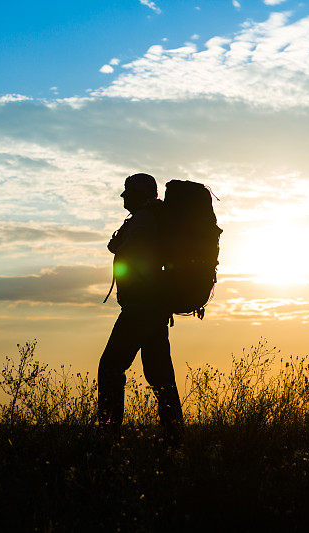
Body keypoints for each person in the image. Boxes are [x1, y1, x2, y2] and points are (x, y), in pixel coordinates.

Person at [98, 173, 184, 440]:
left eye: (129, 193)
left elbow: (129, 249)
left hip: (141, 308)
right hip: (152, 308)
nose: (124, 198)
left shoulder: (145, 220)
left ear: (140, 194)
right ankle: (175, 435)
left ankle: (108, 434)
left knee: (111, 366)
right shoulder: (149, 218)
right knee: (160, 375)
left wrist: (118, 245)